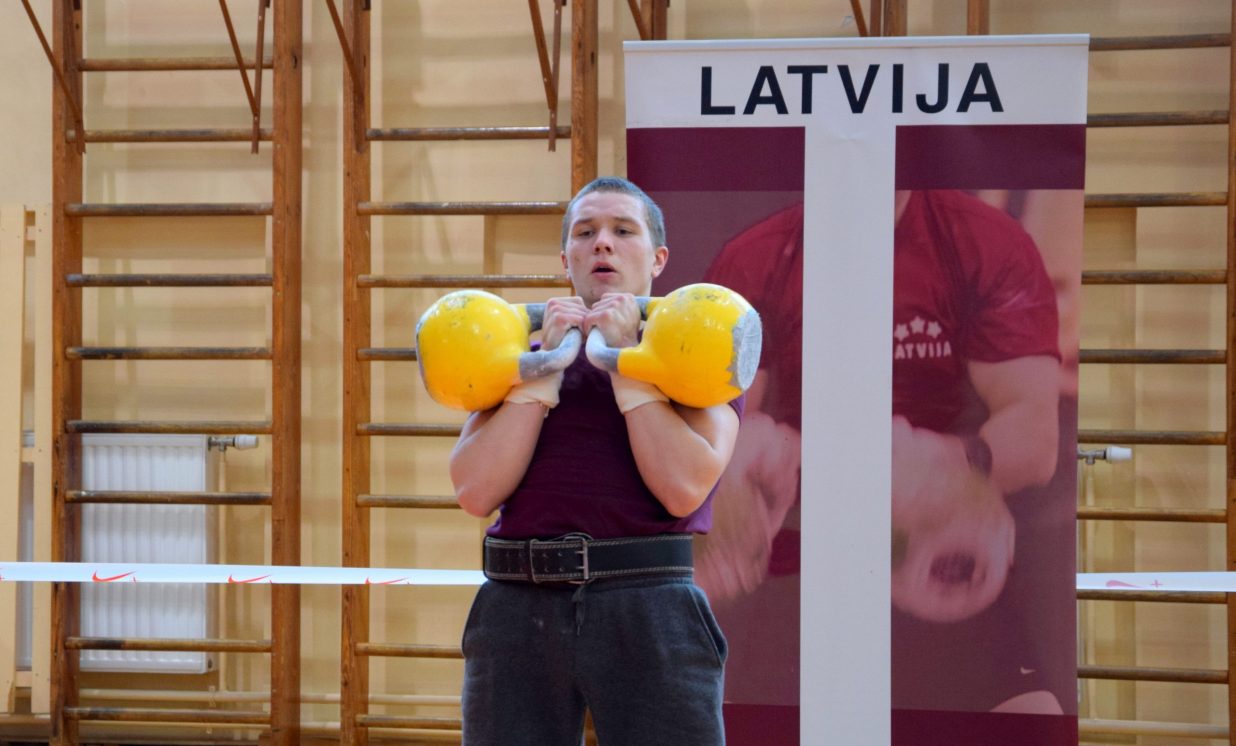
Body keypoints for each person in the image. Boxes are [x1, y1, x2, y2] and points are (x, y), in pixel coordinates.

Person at [698, 189, 1073, 715]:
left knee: (1031, 720)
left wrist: (935, 467)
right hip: (803, 571)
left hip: (947, 555)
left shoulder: (985, 243)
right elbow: (718, 432)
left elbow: (1035, 440)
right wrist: (745, 480)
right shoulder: (756, 258)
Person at [449, 176, 744, 745]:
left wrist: (624, 360)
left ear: (658, 259)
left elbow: (683, 489)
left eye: (623, 231)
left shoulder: (698, 355)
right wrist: (543, 373)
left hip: (648, 603)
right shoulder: (516, 358)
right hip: (518, 606)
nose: (602, 243)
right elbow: (475, 492)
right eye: (585, 233)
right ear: (566, 260)